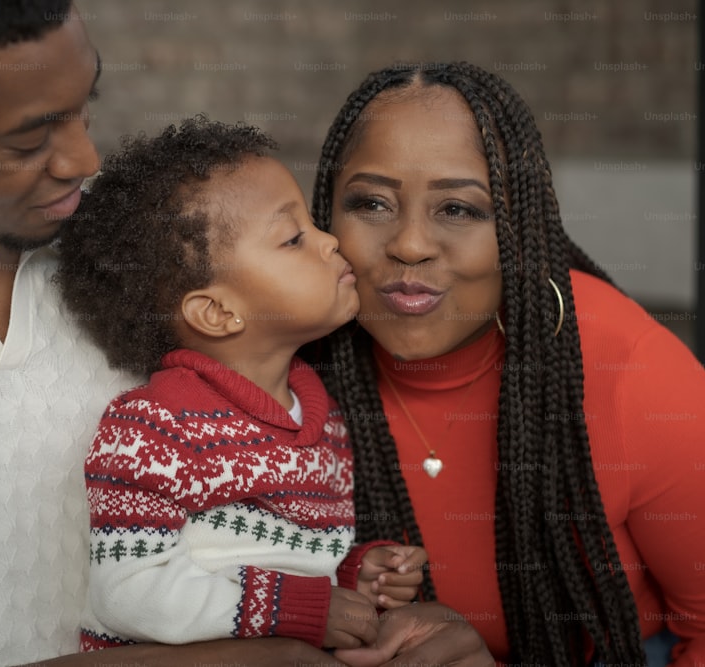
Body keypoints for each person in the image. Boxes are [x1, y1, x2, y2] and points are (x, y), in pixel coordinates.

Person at [0, 3, 495, 665]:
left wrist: (401, 620)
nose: (84, 160)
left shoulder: (131, 246)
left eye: (84, 107)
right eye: (30, 141)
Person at [307, 61, 705, 667]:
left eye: (459, 209)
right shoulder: (288, 361)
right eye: (371, 202)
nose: (411, 244)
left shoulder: (634, 372)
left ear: (521, 229)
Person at [56, 117, 427, 654]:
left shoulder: (328, 424)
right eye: (294, 238)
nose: (330, 242)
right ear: (217, 311)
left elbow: (290, 566)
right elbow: (129, 592)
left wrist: (355, 577)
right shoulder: (152, 428)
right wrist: (296, 610)